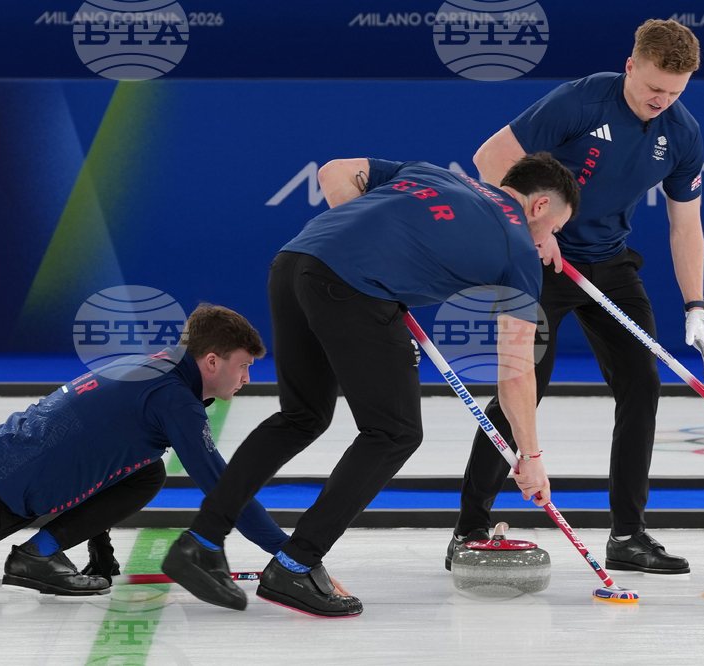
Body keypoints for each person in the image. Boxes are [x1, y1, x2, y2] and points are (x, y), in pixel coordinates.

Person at [161, 152, 580, 618]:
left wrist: (365, 249)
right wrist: (532, 457)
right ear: (539, 206)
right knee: (394, 431)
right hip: (352, 288)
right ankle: (295, 564)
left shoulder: (434, 174)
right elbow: (517, 369)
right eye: (556, 231)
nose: (549, 244)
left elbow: (334, 172)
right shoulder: (519, 249)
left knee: (301, 416)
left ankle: (200, 542)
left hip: (297, 260)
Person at [450, 19, 704, 575]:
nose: (660, 101)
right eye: (652, 89)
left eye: (674, 92)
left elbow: (684, 225)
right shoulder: (582, 101)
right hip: (538, 260)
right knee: (522, 390)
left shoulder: (682, 133)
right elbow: (490, 159)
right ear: (631, 66)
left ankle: (628, 534)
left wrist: (696, 305)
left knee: (642, 384)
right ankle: (469, 529)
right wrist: (535, 232)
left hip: (609, 265)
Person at [0, 304, 290, 595]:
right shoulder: (174, 399)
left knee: (146, 472)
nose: (247, 378)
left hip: (6, 471)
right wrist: (291, 554)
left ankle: (41, 551)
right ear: (212, 361)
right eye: (243, 366)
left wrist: (101, 548)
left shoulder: (147, 365)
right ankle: (35, 555)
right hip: (2, 491)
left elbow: (103, 447)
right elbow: (225, 491)